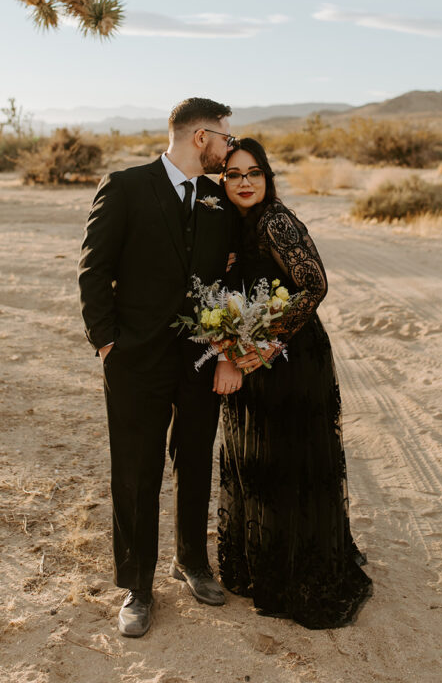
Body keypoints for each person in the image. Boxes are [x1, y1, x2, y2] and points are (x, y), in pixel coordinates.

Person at [77, 98, 243, 638]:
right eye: (224, 138)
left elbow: (230, 280)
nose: (229, 147)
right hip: (134, 361)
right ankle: (138, 586)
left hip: (199, 361)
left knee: (195, 460)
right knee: (136, 470)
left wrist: (226, 350)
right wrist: (107, 345)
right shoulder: (125, 186)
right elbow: (93, 270)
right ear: (201, 137)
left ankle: (191, 560)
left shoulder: (219, 200)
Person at [217, 137, 372, 628]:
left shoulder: (276, 222)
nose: (245, 182)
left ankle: (297, 572)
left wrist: (270, 339)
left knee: (289, 458)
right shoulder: (234, 226)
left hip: (292, 355)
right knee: (259, 457)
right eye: (235, 174)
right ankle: (264, 563)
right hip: (251, 353)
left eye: (254, 173)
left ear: (268, 177)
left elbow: (315, 284)